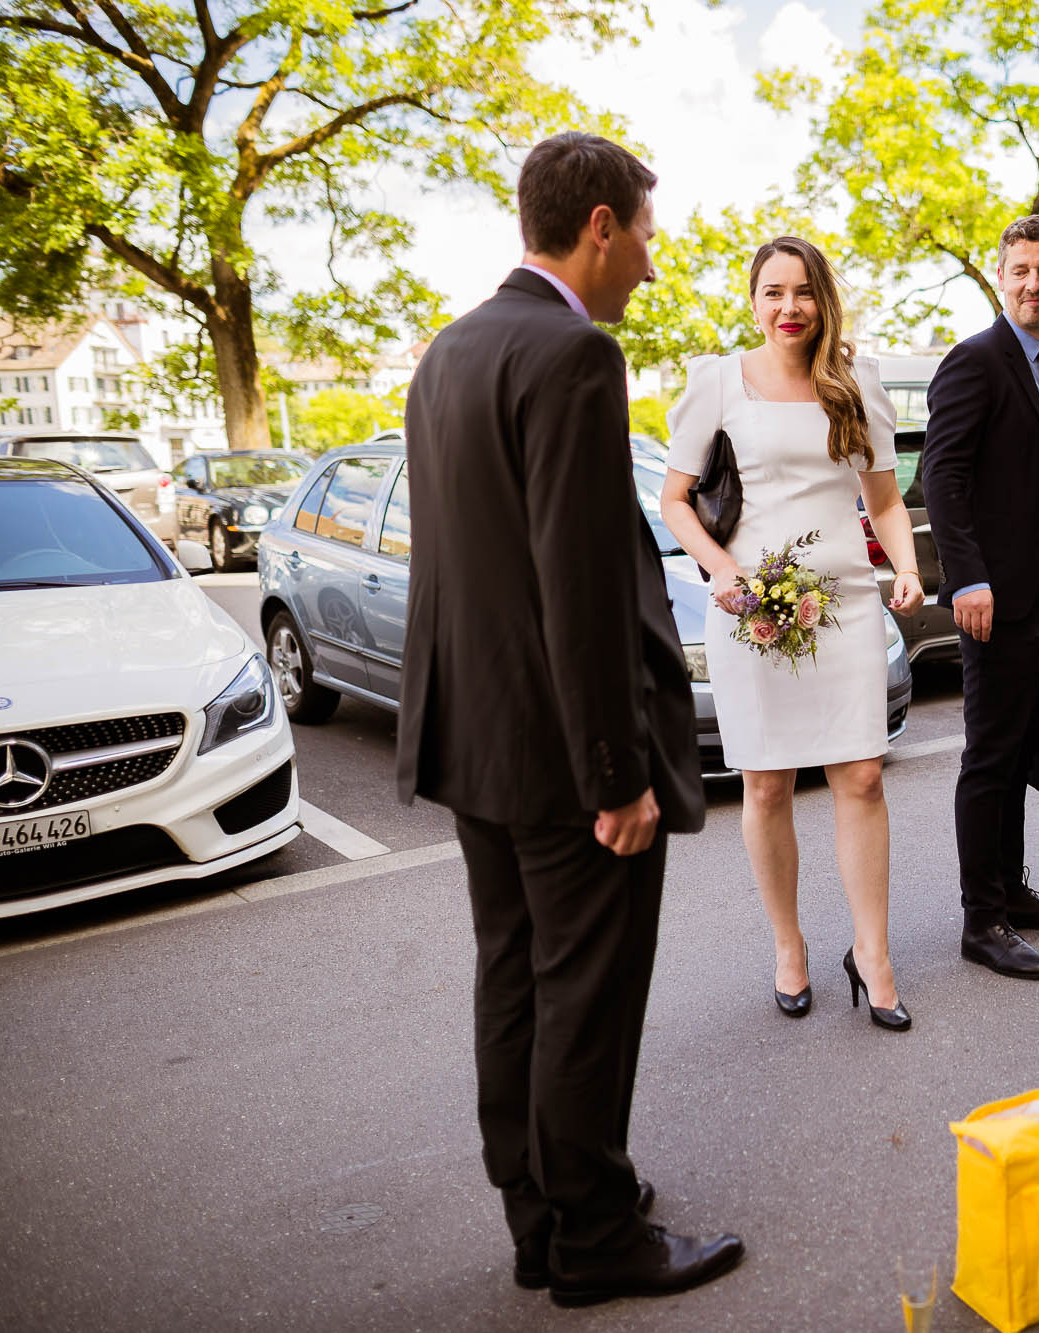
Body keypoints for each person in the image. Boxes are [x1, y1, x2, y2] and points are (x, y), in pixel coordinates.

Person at [395, 131, 744, 1305]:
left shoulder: (445, 354)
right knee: (585, 992)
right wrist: (616, 773)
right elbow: (578, 587)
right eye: (644, 231)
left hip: (469, 741)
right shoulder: (575, 357)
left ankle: (540, 1215)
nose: (650, 256)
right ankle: (597, 1238)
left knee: (514, 977)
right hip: (561, 760)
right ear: (599, 224)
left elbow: (461, 569)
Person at [659, 236, 922, 1032]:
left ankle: (871, 953)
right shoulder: (716, 382)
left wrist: (905, 567)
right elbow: (675, 500)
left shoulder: (856, 379)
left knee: (863, 779)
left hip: (842, 601)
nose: (789, 308)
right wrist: (719, 569)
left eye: (803, 292)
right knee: (767, 784)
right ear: (752, 299)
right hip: (750, 609)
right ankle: (789, 946)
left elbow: (884, 501)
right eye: (773, 292)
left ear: (823, 298)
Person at [921, 214, 1039, 982]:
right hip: (994, 596)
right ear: (1001, 277)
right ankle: (980, 918)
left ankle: (1013, 893)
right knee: (991, 756)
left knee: (1026, 750)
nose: (1034, 283)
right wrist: (968, 576)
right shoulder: (976, 361)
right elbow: (942, 478)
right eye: (1020, 270)